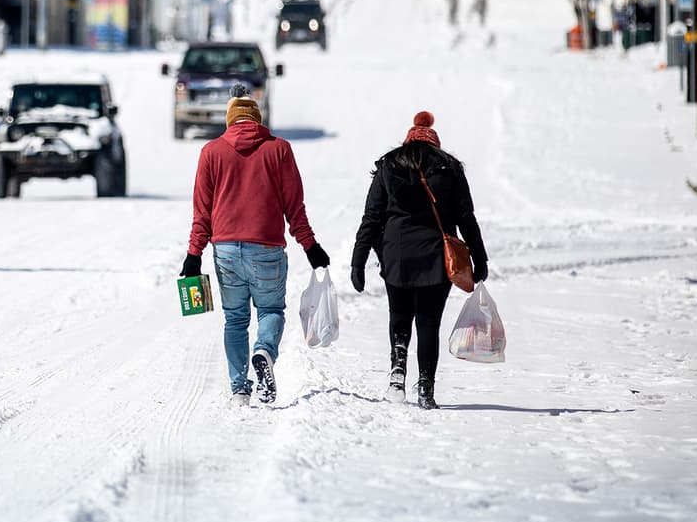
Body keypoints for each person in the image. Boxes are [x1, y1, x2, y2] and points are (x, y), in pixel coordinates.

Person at [180, 85, 330, 407]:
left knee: (235, 320)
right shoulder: (280, 149)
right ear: (258, 120)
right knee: (271, 310)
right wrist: (310, 246)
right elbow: (295, 207)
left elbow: (201, 212)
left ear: (230, 120)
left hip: (226, 251)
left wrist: (194, 255)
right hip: (267, 249)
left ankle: (239, 390)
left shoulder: (211, 152)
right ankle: (264, 350)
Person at [350, 111, 488, 410]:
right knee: (428, 323)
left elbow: (372, 218)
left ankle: (397, 373)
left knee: (399, 316)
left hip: (396, 255)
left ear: (408, 141)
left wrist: (358, 261)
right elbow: (466, 217)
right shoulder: (450, 168)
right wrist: (479, 258)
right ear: (434, 143)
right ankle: (426, 387)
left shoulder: (388, 165)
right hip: (436, 257)